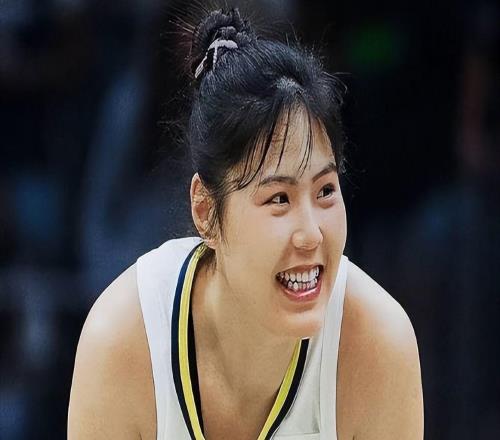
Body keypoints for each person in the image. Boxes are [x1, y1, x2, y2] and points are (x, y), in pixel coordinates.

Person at [67, 6, 423, 440]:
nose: (311, 234)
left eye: (326, 191)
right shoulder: (124, 339)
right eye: (279, 198)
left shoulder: (378, 342)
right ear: (205, 211)